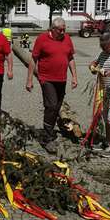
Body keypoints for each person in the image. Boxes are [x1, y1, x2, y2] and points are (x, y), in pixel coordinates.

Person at [26, 17, 78, 154]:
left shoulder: (67, 39)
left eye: (64, 29)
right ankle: (47, 138)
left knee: (57, 107)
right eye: (60, 30)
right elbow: (33, 59)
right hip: (46, 79)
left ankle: (49, 129)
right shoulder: (42, 39)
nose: (63, 32)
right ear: (52, 29)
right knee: (51, 105)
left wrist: (74, 76)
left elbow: (70, 58)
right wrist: (29, 79)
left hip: (61, 79)